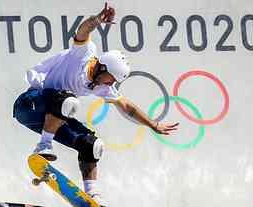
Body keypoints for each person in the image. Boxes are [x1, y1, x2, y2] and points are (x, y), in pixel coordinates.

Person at [13, 3, 179, 206]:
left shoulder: (100, 85)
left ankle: (92, 195)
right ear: (102, 67)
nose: (111, 84)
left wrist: (152, 124)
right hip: (29, 104)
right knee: (68, 101)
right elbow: (83, 30)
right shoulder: (84, 53)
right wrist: (98, 20)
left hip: (48, 118)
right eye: (111, 78)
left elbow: (127, 107)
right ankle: (43, 145)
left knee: (92, 144)